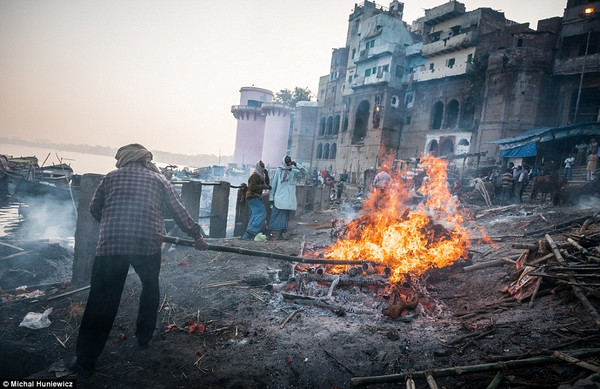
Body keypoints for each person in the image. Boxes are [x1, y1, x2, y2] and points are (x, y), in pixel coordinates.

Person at [71, 144, 208, 376]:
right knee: (150, 286)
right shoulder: (158, 180)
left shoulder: (110, 178)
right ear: (145, 160)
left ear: (123, 160)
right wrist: (196, 234)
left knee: (101, 300)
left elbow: (94, 209)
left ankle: (85, 361)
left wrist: (112, 223)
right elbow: (178, 210)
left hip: (111, 246)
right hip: (147, 245)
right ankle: (143, 338)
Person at [268, 155, 306, 240]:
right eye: (287, 161)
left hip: (288, 200)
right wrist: (271, 198)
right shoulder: (279, 170)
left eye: (290, 161)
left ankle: (280, 234)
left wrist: (296, 164)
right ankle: (274, 234)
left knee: (284, 217)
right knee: (278, 217)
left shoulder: (294, 172)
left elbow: (305, 172)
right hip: (279, 199)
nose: (289, 162)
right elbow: (274, 185)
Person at [243, 161, 270, 240]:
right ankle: (252, 232)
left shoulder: (260, 176)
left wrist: (267, 175)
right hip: (253, 197)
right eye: (262, 167)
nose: (263, 168)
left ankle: (247, 236)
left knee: (254, 216)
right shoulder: (254, 176)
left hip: (254, 198)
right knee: (262, 214)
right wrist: (264, 186)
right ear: (258, 167)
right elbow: (252, 187)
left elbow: (267, 183)